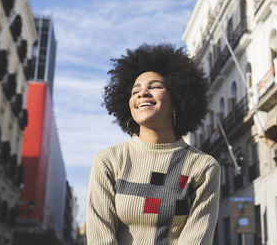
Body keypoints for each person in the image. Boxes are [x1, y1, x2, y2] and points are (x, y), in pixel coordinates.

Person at [86, 43, 221, 244]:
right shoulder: (108, 161)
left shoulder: (203, 167)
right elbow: (100, 237)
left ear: (177, 100)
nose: (142, 94)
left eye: (155, 87)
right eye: (135, 91)